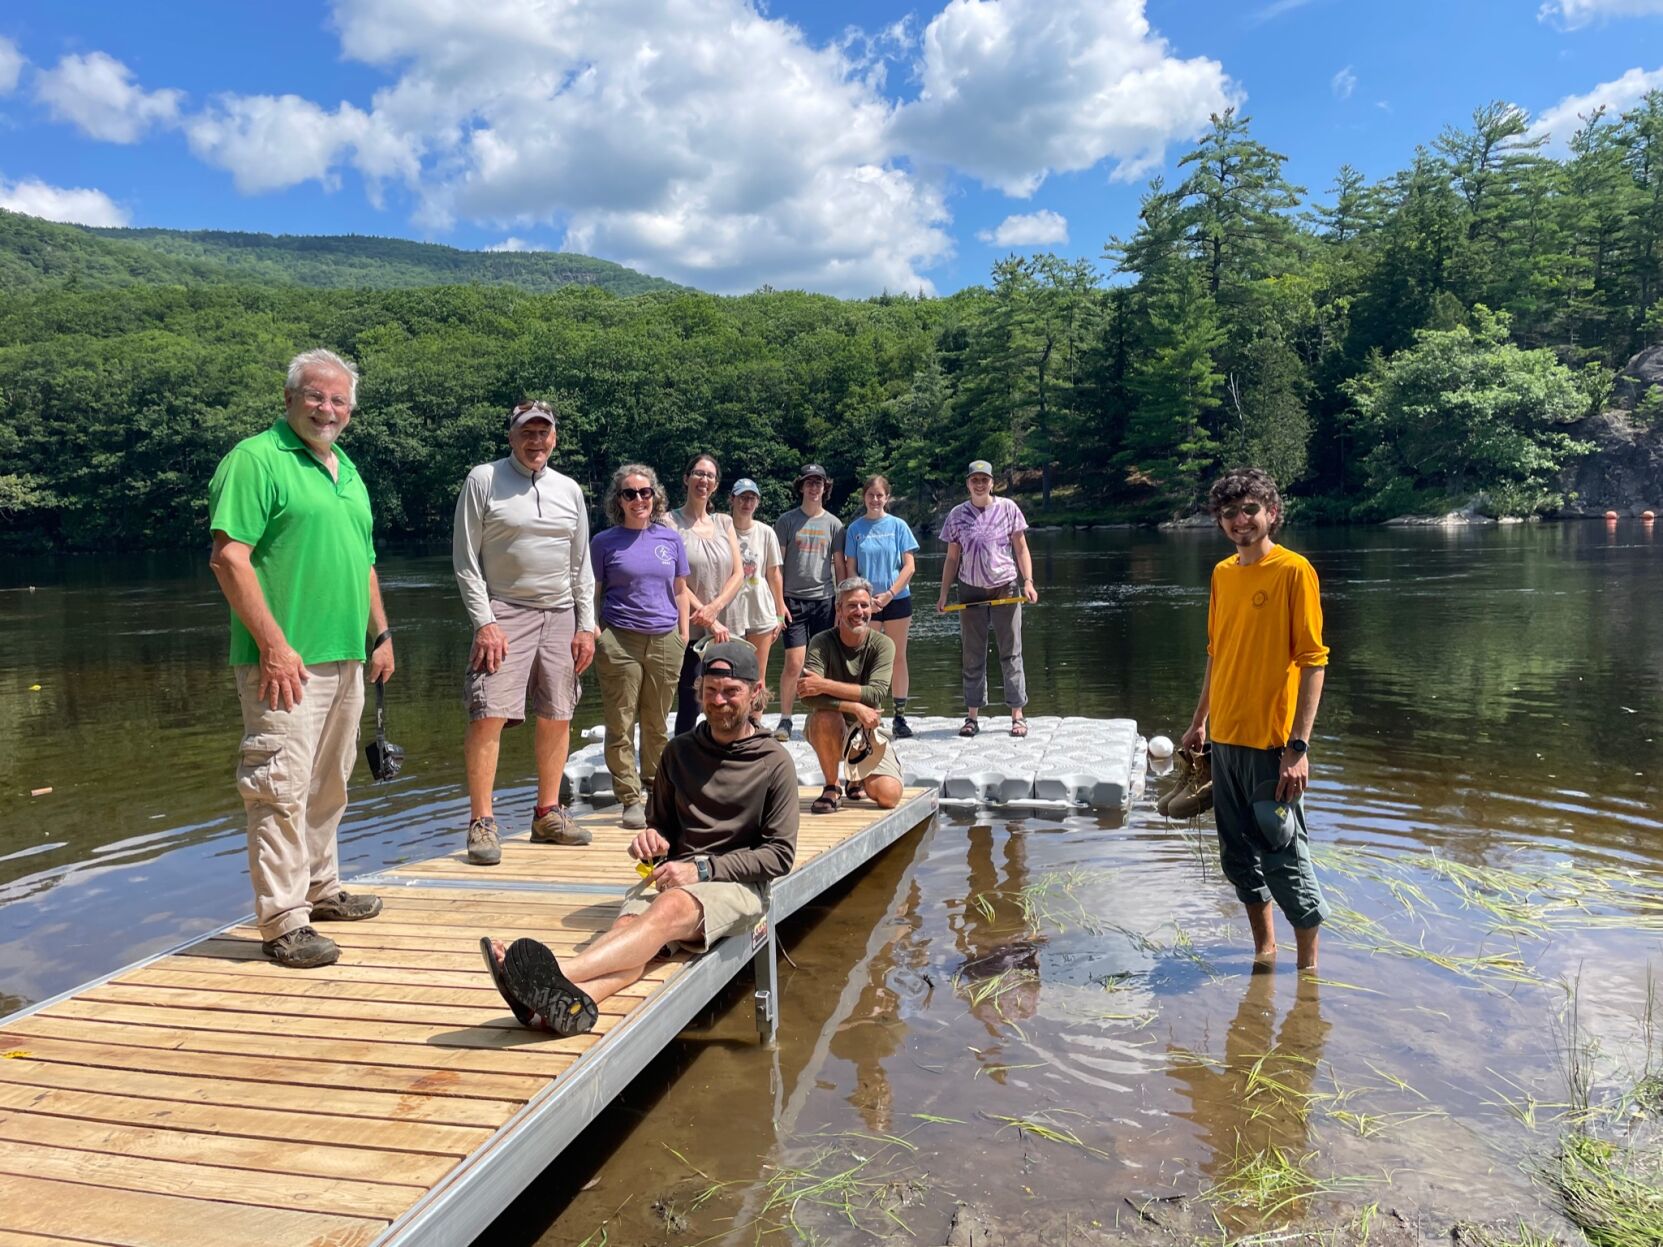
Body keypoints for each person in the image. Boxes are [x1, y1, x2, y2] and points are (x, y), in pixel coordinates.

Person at [480, 641, 798, 1035]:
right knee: (629, 933)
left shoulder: (774, 762)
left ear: (755, 691)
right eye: (711, 690)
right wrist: (651, 841)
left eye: (731, 691)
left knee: (666, 911)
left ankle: (551, 973)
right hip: (673, 875)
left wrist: (702, 870)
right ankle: (557, 1005)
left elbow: (779, 855)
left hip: (738, 885)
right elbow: (659, 824)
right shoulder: (679, 752)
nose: (719, 701)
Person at [207, 348, 390, 969]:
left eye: (339, 400)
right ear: (289, 399)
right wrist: (274, 646)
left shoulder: (347, 469)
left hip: (345, 655)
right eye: (315, 396)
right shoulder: (256, 459)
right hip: (282, 661)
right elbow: (229, 558)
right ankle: (284, 921)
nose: (327, 409)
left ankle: (320, 887)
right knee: (278, 787)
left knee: (329, 782)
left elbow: (364, 562)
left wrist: (381, 635)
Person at [1180, 468, 1331, 972]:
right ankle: (1265, 953)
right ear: (1219, 521)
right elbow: (1216, 653)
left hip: (1272, 747)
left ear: (1271, 512)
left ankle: (1308, 974)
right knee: (1238, 859)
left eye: (1250, 509)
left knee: (1285, 858)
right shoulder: (1223, 574)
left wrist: (1298, 748)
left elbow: (1313, 662)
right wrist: (1199, 722)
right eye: (1230, 513)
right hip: (1225, 741)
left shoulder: (1293, 571)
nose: (1241, 520)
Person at [452, 399, 597, 867]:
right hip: (504, 612)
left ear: (554, 437)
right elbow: (466, 561)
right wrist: (485, 622)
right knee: (488, 713)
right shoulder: (483, 479)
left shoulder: (569, 489)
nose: (536, 441)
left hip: (561, 613)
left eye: (543, 432)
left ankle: (547, 814)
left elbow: (581, 564)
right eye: (527, 432)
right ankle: (482, 821)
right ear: (511, 436)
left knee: (558, 713)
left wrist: (587, 625)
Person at [590, 465, 689, 831]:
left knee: (657, 722)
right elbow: (592, 593)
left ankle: (655, 789)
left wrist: (683, 635)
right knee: (620, 722)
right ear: (619, 500)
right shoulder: (603, 542)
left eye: (644, 492)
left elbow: (681, 591)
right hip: (620, 640)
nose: (638, 499)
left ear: (654, 496)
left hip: (665, 639)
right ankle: (630, 797)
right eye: (629, 493)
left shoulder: (670, 540)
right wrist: (596, 634)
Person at [936, 459, 1039, 738]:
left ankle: (1017, 715)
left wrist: (1028, 582)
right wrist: (943, 594)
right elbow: (952, 558)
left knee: (1011, 651)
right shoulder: (957, 515)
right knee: (972, 653)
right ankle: (972, 716)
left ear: (992, 483)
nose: (980, 484)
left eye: (984, 480)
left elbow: (1021, 549)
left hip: (1005, 587)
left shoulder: (1009, 508)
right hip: (970, 589)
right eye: (975, 480)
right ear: (968, 484)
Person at [799, 577, 903, 814]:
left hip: (867, 728)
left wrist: (824, 684)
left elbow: (876, 693)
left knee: (889, 796)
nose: (859, 612)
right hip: (833, 724)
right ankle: (832, 786)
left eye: (864, 605)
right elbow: (807, 696)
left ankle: (856, 778)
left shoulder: (884, 644)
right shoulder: (820, 642)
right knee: (824, 716)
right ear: (839, 609)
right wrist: (854, 707)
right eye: (852, 605)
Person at [835, 474, 920, 738]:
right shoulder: (855, 529)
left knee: (897, 657)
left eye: (879, 495)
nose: (875, 499)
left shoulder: (898, 526)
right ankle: (867, 713)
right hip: (865, 604)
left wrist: (890, 594)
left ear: (887, 497)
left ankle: (900, 716)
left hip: (897, 599)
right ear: (864, 497)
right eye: (870, 495)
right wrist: (864, 598)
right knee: (864, 658)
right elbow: (851, 568)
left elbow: (909, 566)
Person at [667, 453, 742, 736]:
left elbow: (738, 573)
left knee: (730, 696)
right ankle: (684, 755)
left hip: (726, 628)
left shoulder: (724, 522)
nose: (704, 480)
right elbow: (674, 578)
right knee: (692, 701)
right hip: (691, 628)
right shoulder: (669, 522)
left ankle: (726, 751)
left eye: (710, 476)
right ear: (686, 478)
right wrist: (707, 616)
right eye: (698, 473)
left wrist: (715, 609)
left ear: (716, 484)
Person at [773, 464, 843, 741]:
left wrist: (842, 603)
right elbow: (776, 566)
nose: (814, 488)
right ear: (801, 486)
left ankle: (819, 717)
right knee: (794, 662)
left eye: (819, 483)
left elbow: (840, 566)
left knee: (821, 664)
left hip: (825, 600)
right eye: (809, 483)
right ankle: (786, 718)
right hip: (793, 601)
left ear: (825, 488)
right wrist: (778, 602)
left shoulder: (834, 524)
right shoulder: (786, 521)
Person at [721, 477, 786, 727]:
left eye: (751, 498)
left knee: (758, 674)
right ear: (732, 499)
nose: (746, 503)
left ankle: (755, 725)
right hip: (730, 613)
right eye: (742, 498)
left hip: (760, 610)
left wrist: (779, 613)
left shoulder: (765, 532)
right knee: (731, 674)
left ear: (757, 502)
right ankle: (731, 724)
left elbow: (774, 574)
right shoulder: (721, 529)